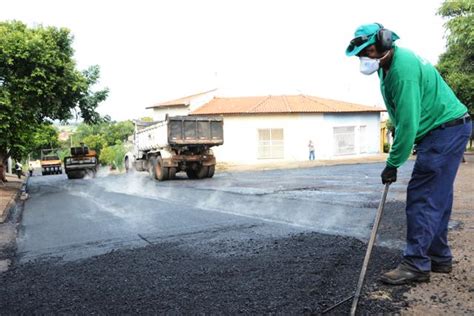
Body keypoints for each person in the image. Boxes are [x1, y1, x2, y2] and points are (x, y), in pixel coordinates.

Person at [346, 23, 472, 285]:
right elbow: (404, 117)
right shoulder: (389, 64)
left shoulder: (402, 71)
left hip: (444, 131)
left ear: (384, 43)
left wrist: (393, 163)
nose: (365, 58)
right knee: (437, 196)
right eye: (361, 54)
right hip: (447, 129)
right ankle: (439, 257)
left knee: (422, 196)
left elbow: (407, 123)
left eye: (368, 51)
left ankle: (416, 264)